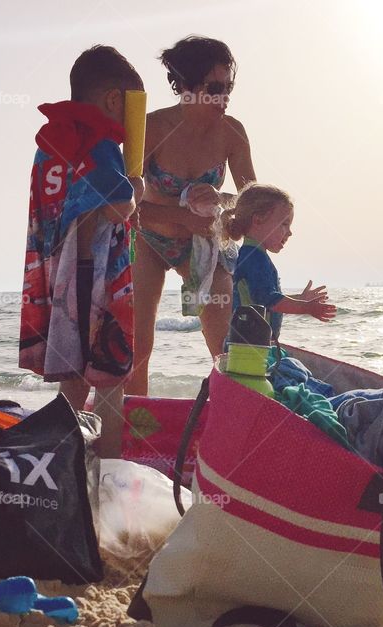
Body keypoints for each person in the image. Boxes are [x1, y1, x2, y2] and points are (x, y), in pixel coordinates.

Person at [19, 46, 145, 457]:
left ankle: (59, 470)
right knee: (111, 381)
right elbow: (114, 204)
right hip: (100, 282)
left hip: (59, 283)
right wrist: (137, 192)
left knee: (71, 382)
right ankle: (106, 475)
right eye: (133, 108)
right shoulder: (101, 138)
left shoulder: (48, 147)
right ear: (114, 100)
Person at [127, 36, 256, 395]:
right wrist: (181, 217)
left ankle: (234, 419)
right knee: (138, 345)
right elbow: (121, 203)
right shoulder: (151, 128)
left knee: (226, 346)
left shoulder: (233, 132)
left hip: (203, 246)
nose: (224, 97)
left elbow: (252, 202)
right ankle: (137, 426)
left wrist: (221, 198)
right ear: (184, 86)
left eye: (228, 87)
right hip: (149, 241)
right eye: (214, 88)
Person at [227, 184, 336, 340]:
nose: (290, 232)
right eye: (284, 224)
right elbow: (271, 301)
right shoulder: (255, 259)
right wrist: (306, 307)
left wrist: (299, 298)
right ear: (258, 220)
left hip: (250, 346)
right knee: (295, 366)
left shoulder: (252, 254)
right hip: (250, 351)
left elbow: (263, 299)